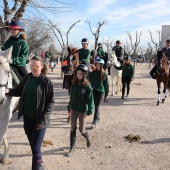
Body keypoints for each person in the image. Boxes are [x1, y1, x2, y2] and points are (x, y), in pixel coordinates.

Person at [5, 56, 54, 170]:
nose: (33, 69)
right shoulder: (26, 78)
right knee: (33, 147)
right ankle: (40, 164)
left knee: (36, 147)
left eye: (36, 66)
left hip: (40, 121)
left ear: (42, 66)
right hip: (27, 119)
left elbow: (51, 102)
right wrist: (7, 91)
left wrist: (44, 119)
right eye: (31, 66)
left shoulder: (47, 82)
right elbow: (18, 91)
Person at [67, 64, 94, 156]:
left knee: (82, 130)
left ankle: (88, 138)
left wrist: (89, 110)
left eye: (80, 74)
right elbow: (71, 97)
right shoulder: (74, 84)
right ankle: (72, 148)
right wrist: (69, 108)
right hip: (74, 109)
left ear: (84, 75)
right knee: (72, 128)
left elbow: (90, 100)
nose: (78, 75)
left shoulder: (87, 86)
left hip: (82, 111)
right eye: (77, 73)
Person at [89, 58, 109, 128]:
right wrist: (88, 68)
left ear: (102, 65)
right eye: (97, 65)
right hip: (94, 91)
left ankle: (95, 121)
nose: (97, 66)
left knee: (97, 106)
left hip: (101, 91)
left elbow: (106, 85)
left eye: (99, 65)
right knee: (95, 105)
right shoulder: (93, 73)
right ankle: (98, 117)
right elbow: (88, 77)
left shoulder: (104, 74)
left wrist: (106, 95)